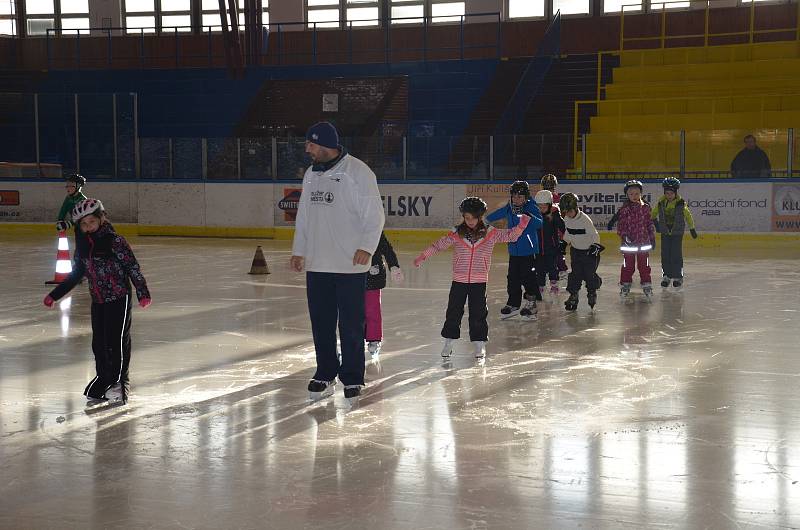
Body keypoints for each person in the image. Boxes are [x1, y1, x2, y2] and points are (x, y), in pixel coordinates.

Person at [290, 121, 385, 401]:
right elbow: (304, 216)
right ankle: (325, 372)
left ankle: (353, 377)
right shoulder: (311, 174)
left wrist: (367, 247)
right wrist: (299, 250)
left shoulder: (357, 171)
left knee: (351, 324)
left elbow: (374, 214)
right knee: (321, 322)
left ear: (324, 145)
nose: (307, 149)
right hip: (318, 264)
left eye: (310, 144)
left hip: (349, 265)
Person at [43, 199, 151, 404]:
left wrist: (142, 292)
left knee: (116, 341)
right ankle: (105, 379)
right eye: (83, 224)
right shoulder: (83, 246)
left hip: (119, 297)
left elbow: (132, 268)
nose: (88, 227)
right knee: (99, 344)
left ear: (102, 218)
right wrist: (55, 295)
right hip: (98, 300)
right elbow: (76, 274)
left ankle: (118, 383)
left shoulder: (115, 241)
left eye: (91, 221)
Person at [413, 197, 531, 359]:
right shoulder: (456, 233)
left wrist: (522, 225)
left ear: (480, 216)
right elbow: (438, 245)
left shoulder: (491, 233)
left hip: (479, 281)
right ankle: (448, 342)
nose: (469, 221)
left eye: (473, 218)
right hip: (459, 281)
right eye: (466, 218)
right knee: (453, 312)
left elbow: (511, 236)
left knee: (478, 313)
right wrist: (423, 256)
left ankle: (479, 344)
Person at [485, 180, 543, 321]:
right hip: (514, 251)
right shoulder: (509, 207)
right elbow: (497, 214)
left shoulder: (531, 207)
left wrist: (528, 216)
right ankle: (513, 304)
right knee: (513, 278)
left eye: (520, 197)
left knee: (528, 278)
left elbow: (540, 223)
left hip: (528, 251)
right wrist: (485, 220)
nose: (516, 200)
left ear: (526, 197)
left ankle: (531, 304)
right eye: (514, 196)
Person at [559, 193, 603, 311]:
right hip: (576, 252)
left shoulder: (584, 219)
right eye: (565, 212)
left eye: (569, 211)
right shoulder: (567, 219)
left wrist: (595, 247)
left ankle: (592, 292)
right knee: (575, 274)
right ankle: (574, 295)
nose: (568, 214)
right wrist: (564, 242)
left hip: (589, 252)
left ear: (575, 208)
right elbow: (568, 233)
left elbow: (594, 234)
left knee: (589, 274)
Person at [651, 177, 698, 290]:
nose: (669, 195)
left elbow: (688, 216)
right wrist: (656, 224)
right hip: (665, 232)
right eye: (667, 193)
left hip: (677, 232)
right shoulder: (661, 203)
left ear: (675, 193)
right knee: (665, 254)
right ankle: (666, 275)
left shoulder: (681, 204)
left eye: (671, 193)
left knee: (676, 254)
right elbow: (653, 214)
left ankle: (678, 277)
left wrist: (692, 229)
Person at [616, 180, 656, 301]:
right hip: (628, 245)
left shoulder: (646, 208)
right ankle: (625, 284)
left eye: (637, 193)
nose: (634, 196)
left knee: (644, 266)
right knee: (628, 266)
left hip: (643, 243)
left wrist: (652, 238)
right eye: (631, 194)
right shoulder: (624, 209)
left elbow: (649, 224)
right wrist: (624, 236)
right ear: (627, 195)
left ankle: (647, 284)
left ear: (641, 194)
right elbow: (620, 227)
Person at [365, 232, 404, 356]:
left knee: (372, 309)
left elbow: (386, 249)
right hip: (351, 275)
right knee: (352, 311)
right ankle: (353, 339)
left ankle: (374, 339)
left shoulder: (374, 228)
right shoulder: (347, 225)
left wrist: (394, 267)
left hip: (373, 276)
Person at [533, 189, 566, 297]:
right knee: (539, 268)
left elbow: (562, 226)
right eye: (539, 207)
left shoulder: (554, 213)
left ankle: (554, 284)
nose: (541, 209)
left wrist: (555, 217)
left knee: (552, 267)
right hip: (538, 248)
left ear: (550, 205)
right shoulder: (534, 214)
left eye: (544, 207)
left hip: (551, 247)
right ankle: (540, 285)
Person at [541, 173, 568, 278]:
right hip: (556, 229)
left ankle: (557, 269)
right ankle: (561, 269)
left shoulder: (542, 196)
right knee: (557, 250)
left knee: (552, 250)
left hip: (549, 229)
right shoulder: (558, 197)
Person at [56, 174, 88, 261]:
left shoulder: (82, 200)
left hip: (86, 227)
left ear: (78, 186)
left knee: (84, 244)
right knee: (79, 244)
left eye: (71, 186)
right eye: (67, 186)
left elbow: (80, 216)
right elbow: (63, 210)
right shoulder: (68, 198)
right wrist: (60, 221)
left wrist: (68, 224)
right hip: (78, 227)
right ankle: (80, 260)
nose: (68, 188)